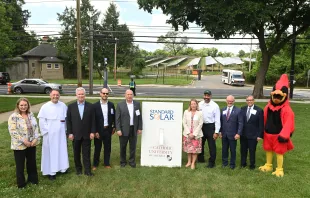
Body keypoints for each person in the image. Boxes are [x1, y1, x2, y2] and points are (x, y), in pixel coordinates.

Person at [8, 98, 40, 188]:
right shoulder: (13, 116)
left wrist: (35, 139)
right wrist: (24, 141)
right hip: (19, 145)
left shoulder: (31, 115)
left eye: (25, 105)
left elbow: (36, 127)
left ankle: (33, 180)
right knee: (20, 165)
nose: (23, 107)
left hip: (31, 143)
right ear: (18, 106)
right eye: (21, 105)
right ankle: (21, 184)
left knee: (32, 163)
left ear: (28, 105)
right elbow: (12, 131)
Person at [38, 90, 69, 180]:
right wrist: (46, 132)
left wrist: (66, 130)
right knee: (50, 153)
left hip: (61, 134)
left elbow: (66, 119)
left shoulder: (63, 105)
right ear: (50, 96)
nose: (55, 96)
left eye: (57, 95)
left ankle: (63, 168)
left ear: (59, 96)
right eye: (53, 95)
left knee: (61, 150)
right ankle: (51, 172)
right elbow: (42, 121)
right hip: (50, 135)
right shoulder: (45, 107)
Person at [67, 87, 95, 176]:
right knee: (76, 153)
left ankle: (87, 171)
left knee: (86, 153)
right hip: (75, 135)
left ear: (85, 95)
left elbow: (93, 121)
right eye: (79, 94)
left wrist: (92, 132)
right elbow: (69, 121)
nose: (81, 96)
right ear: (76, 95)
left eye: (82, 94)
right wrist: (70, 133)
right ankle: (78, 170)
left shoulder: (91, 106)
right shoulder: (71, 107)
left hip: (87, 134)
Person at [116, 89, 142, 168]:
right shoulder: (120, 105)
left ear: (133, 95)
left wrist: (140, 128)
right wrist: (118, 129)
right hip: (123, 129)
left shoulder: (137, 104)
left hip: (133, 129)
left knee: (133, 146)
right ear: (125, 95)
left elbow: (139, 117)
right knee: (123, 146)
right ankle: (123, 161)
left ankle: (132, 161)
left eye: (131, 94)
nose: (129, 96)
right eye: (128, 94)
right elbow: (117, 118)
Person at [93, 88, 116, 170]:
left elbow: (114, 117)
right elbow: (93, 120)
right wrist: (95, 131)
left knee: (107, 147)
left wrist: (114, 127)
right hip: (98, 131)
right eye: (103, 93)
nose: (105, 95)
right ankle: (95, 164)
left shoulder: (111, 105)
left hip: (108, 130)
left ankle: (107, 163)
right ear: (100, 94)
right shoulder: (95, 106)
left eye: (106, 93)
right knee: (97, 148)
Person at [198, 90, 221, 168]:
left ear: (210, 96)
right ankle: (200, 159)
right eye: (205, 95)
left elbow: (217, 120)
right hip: (201, 126)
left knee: (211, 146)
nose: (206, 97)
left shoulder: (215, 106)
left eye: (208, 96)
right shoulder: (200, 104)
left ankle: (212, 162)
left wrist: (216, 132)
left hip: (211, 127)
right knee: (200, 143)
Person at [219, 95, 243, 169]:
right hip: (224, 134)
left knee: (233, 150)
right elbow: (220, 121)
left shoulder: (238, 110)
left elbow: (240, 123)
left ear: (234, 101)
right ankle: (224, 163)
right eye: (228, 101)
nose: (230, 102)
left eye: (231, 101)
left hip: (233, 134)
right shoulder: (223, 109)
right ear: (226, 101)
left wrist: (238, 133)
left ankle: (232, 164)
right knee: (224, 149)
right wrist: (220, 132)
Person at [240, 95, 264, 170]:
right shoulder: (242, 109)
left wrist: (259, 135)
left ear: (253, 101)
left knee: (252, 150)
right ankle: (243, 163)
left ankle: (252, 164)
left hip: (253, 135)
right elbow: (241, 122)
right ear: (246, 101)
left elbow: (261, 124)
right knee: (243, 150)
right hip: (243, 134)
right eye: (248, 100)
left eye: (251, 100)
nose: (249, 101)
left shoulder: (259, 110)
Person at [182, 99, 203, 169]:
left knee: (195, 150)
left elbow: (200, 124)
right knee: (189, 149)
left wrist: (194, 134)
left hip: (196, 135)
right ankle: (189, 162)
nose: (193, 105)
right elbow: (184, 123)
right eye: (192, 104)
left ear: (197, 105)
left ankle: (193, 163)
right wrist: (188, 133)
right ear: (190, 105)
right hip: (187, 134)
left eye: (194, 104)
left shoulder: (200, 113)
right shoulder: (186, 112)